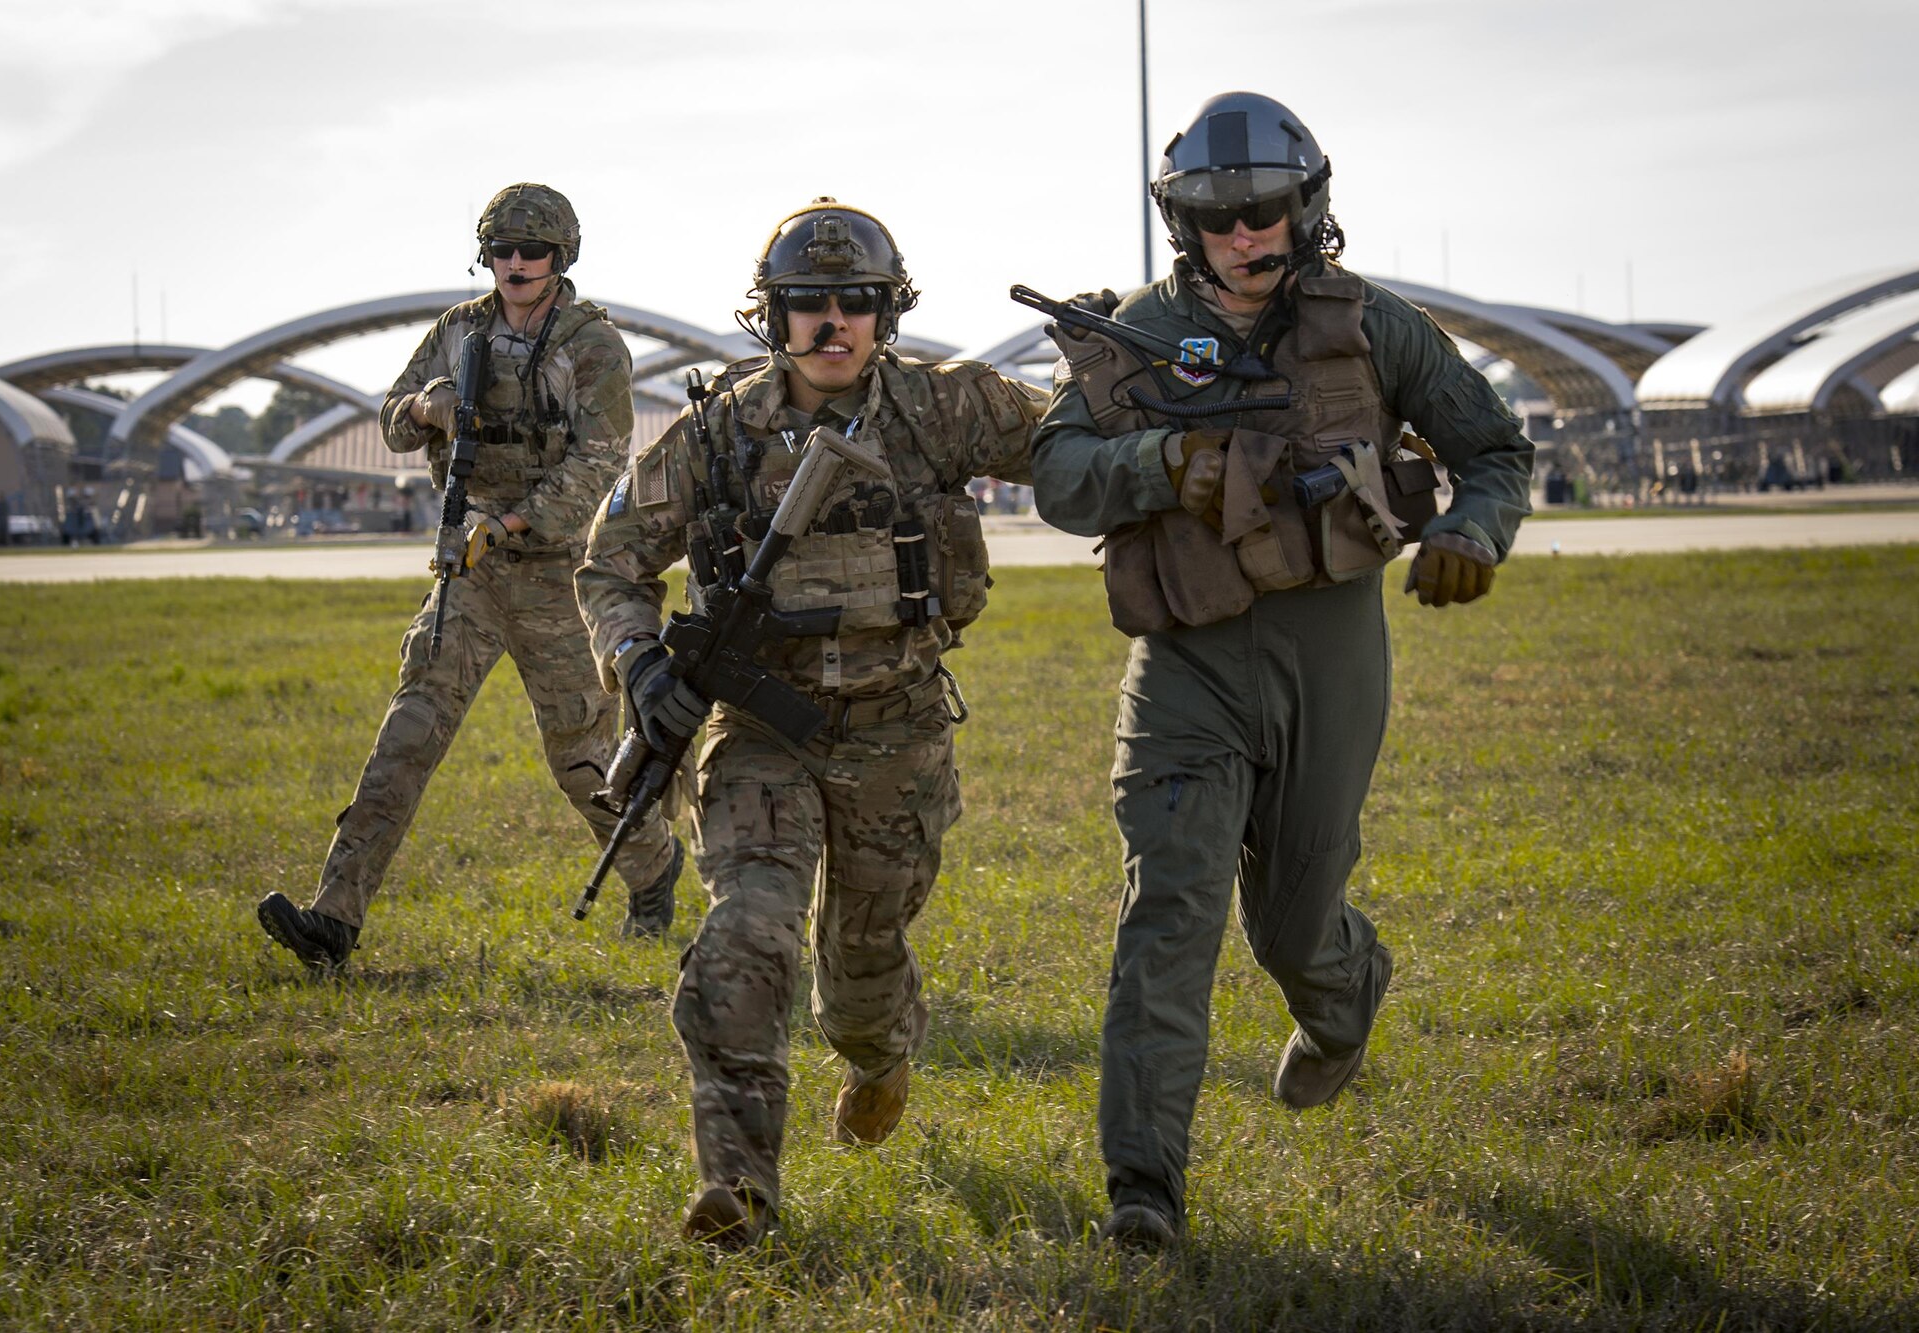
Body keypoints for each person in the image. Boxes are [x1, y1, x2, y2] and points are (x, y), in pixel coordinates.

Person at [1029, 93, 1535, 1248]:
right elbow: (1058, 473)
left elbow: (1493, 450)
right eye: (1213, 218)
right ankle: (1141, 1189)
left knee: (1293, 922)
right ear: (1181, 224)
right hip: (1185, 663)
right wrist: (1163, 463)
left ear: (1305, 206)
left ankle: (1341, 993)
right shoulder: (1133, 334)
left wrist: (1470, 534)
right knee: (1169, 909)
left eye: (1261, 212)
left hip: (1332, 652)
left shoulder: (1370, 327)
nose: (1241, 237)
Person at [578, 199, 1048, 1247]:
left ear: (887, 313)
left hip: (899, 728)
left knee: (860, 969)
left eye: (855, 304)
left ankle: (879, 1057)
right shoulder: (713, 433)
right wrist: (637, 657)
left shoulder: (943, 409)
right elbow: (609, 563)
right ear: (770, 315)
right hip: (760, 729)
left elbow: (1075, 443)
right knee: (744, 930)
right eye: (804, 305)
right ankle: (738, 1185)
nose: (830, 324)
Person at [257, 182, 682, 970]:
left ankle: (653, 868)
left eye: (535, 252)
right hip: (471, 573)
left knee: (581, 758)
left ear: (563, 257)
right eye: (502, 251)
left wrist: (514, 522)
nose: (517, 265)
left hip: (555, 572)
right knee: (408, 735)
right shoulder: (458, 332)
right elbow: (389, 416)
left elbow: (600, 462)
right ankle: (334, 919)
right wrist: (425, 408)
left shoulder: (593, 346)